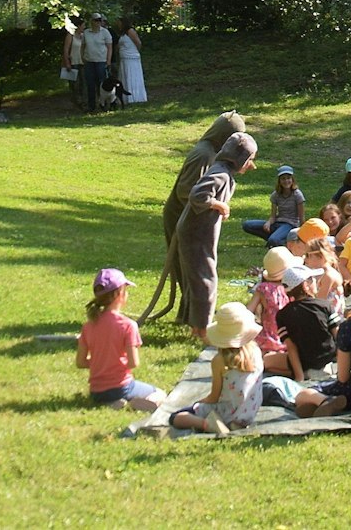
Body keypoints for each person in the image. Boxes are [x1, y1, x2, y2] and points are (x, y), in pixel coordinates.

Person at [179, 132, 258, 342]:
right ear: (239, 159)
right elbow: (198, 195)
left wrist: (218, 209)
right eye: (250, 160)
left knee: (198, 278)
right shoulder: (221, 173)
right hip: (196, 235)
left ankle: (195, 325)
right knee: (206, 280)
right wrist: (219, 204)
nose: (252, 166)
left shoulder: (223, 172)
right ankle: (202, 330)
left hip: (198, 232)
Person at [75, 268, 165, 412]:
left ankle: (111, 403)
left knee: (108, 396)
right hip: (121, 387)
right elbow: (133, 362)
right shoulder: (128, 325)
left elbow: (80, 362)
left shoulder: (88, 326)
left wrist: (100, 363)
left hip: (96, 392)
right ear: (120, 295)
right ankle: (138, 403)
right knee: (160, 393)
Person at [169, 302, 263, 435]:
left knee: (176, 417)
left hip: (227, 412)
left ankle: (208, 424)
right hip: (249, 412)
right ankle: (234, 424)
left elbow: (214, 397)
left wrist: (199, 402)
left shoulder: (220, 361)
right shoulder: (256, 351)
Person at [239, 165, 305, 247]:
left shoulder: (297, 195)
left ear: (292, 180)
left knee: (273, 240)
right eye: (283, 178)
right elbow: (273, 216)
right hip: (278, 223)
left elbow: (301, 217)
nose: (286, 181)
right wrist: (268, 223)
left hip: (290, 225)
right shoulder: (276, 194)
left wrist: (301, 235)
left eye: (288, 178)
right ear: (279, 181)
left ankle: (278, 241)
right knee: (247, 225)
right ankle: (274, 239)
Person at [77, 14, 112, 113]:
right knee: (90, 84)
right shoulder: (86, 33)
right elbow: (83, 46)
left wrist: (108, 60)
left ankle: (103, 104)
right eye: (96, 20)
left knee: (102, 84)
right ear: (91, 21)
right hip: (89, 62)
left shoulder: (105, 32)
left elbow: (109, 47)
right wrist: (82, 57)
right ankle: (91, 106)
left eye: (99, 20)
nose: (98, 22)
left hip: (101, 61)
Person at [115, 19, 147, 104]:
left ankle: (135, 96)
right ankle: (125, 98)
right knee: (125, 76)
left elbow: (138, 43)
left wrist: (134, 52)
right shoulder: (122, 34)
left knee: (132, 76)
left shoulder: (130, 31)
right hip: (124, 59)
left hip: (131, 58)